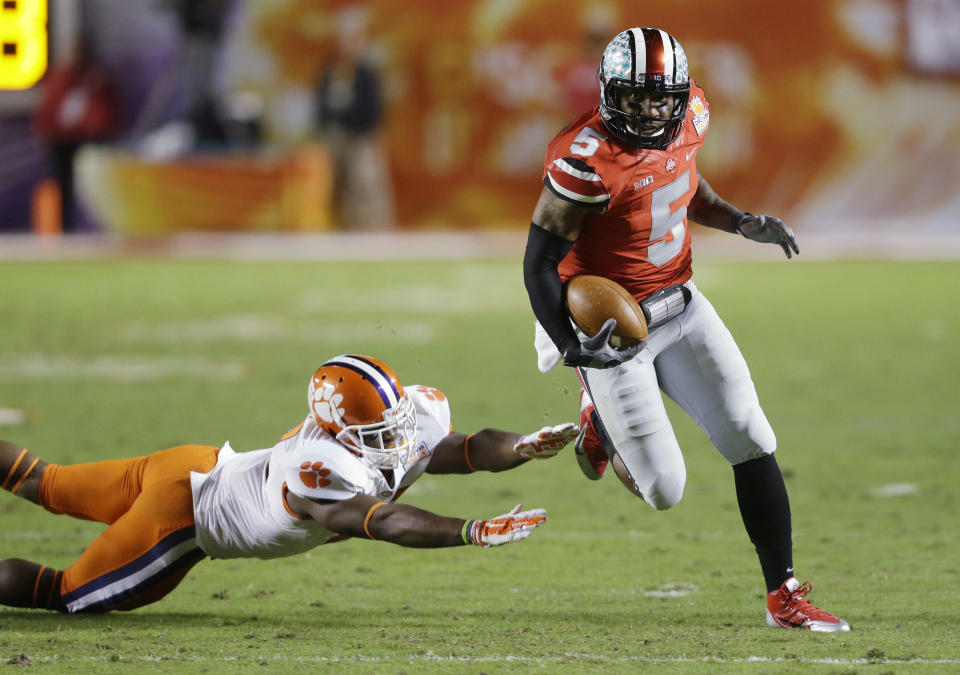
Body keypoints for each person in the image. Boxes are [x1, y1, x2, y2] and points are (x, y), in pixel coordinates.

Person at [522, 27, 849, 632]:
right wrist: (574, 348)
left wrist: (740, 220)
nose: (649, 110)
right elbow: (537, 263)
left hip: (680, 301)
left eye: (659, 98)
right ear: (606, 93)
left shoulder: (692, 111)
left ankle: (784, 595)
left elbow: (681, 183)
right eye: (635, 98)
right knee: (665, 490)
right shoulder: (584, 160)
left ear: (678, 94)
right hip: (612, 332)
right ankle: (599, 414)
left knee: (750, 434)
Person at [0, 354, 577, 614]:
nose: (398, 438)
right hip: (180, 519)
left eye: (396, 422)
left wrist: (520, 448)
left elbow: (461, 449)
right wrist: (468, 531)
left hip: (194, 464)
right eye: (378, 431)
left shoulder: (392, 424)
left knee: (42, 481)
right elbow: (381, 521)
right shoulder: (319, 466)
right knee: (62, 592)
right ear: (336, 429)